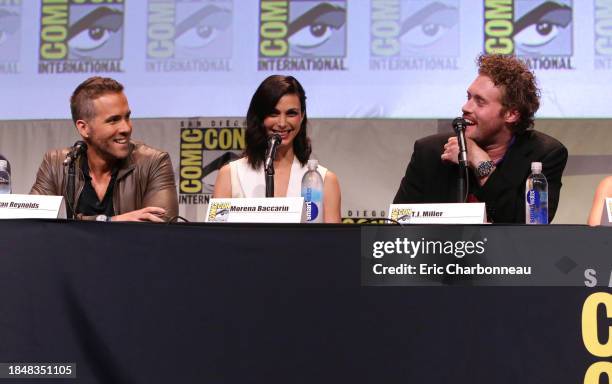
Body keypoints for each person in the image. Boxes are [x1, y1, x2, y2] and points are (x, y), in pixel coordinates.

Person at [393, 54, 568, 223]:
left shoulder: (544, 154)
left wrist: (480, 161)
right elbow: (398, 225)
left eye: (480, 101)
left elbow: (527, 228)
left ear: (511, 114)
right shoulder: (429, 152)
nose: (466, 107)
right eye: (468, 97)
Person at [30, 76, 178, 222]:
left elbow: (162, 229)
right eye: (113, 120)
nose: (126, 128)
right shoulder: (56, 164)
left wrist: (79, 223)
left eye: (127, 117)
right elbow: (32, 224)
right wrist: (111, 221)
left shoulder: (153, 162)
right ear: (84, 128)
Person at [213, 75, 341, 223]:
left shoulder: (324, 180)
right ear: (260, 117)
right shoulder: (230, 174)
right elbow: (216, 239)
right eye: (273, 113)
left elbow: (333, 243)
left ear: (302, 116)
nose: (282, 123)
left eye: (291, 113)